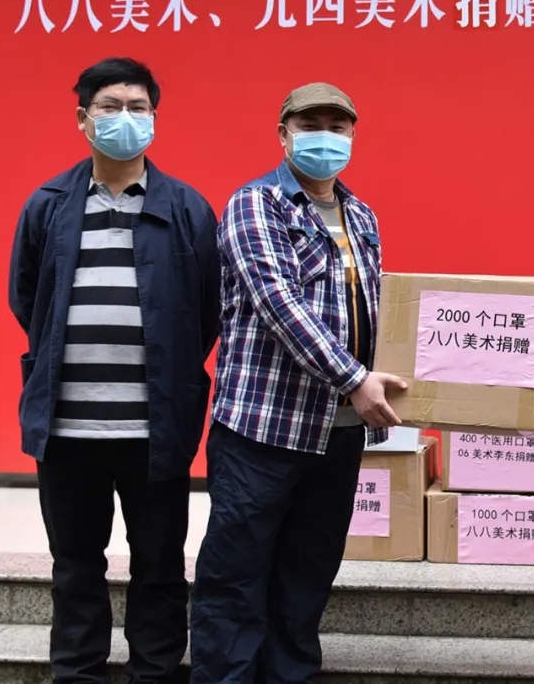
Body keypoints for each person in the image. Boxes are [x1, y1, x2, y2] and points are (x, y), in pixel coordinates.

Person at [9, 57, 221, 684]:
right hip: (67, 428)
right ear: (83, 118)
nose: (125, 118)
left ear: (155, 119)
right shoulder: (48, 205)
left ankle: (155, 672)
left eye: (138, 107)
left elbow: (206, 309)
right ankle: (78, 673)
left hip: (154, 428)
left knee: (159, 564)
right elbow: (27, 299)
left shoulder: (186, 208)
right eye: (110, 106)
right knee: (75, 562)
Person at [189, 82, 407, 684]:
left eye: (338, 127)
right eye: (310, 125)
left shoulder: (361, 216)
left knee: (307, 577)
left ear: (353, 136)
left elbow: (378, 311)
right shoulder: (256, 204)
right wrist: (355, 377)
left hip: (339, 433)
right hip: (264, 429)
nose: (325, 138)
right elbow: (277, 302)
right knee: (235, 579)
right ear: (283, 134)